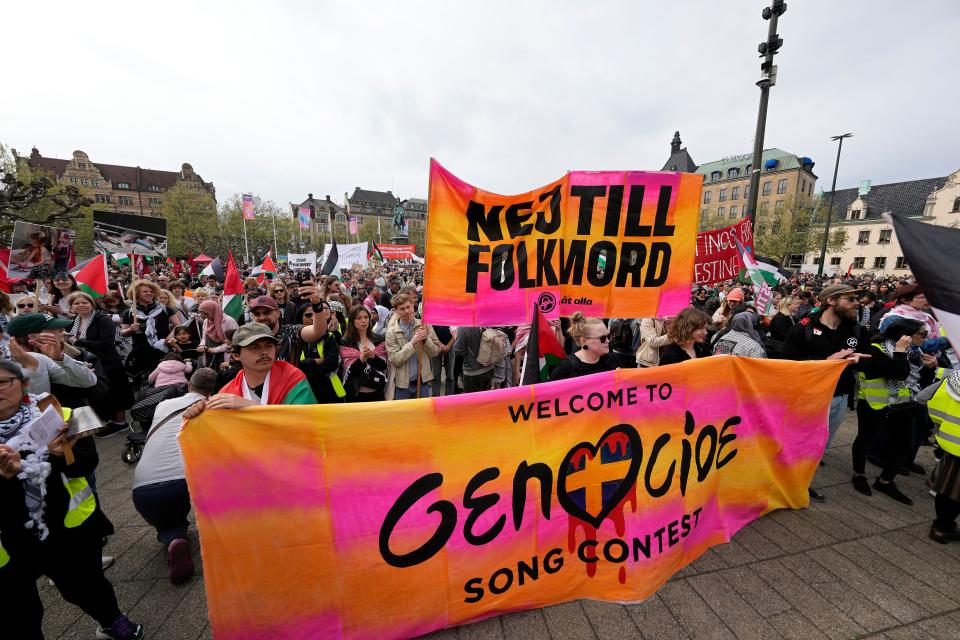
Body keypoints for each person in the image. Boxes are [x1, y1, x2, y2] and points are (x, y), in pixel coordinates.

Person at [0, 360, 144, 639]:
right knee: (17, 608)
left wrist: (59, 454)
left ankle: (112, 621)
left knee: (87, 585)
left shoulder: (55, 414)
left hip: (64, 523)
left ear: (25, 385)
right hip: (10, 537)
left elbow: (88, 462)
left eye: (3, 382)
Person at [782, 283, 872, 503]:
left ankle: (803, 483)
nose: (857, 303)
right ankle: (782, 482)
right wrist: (825, 363)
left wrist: (859, 361)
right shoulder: (802, 328)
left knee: (820, 446)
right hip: (806, 398)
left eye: (856, 299)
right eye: (850, 299)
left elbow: (868, 361)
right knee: (796, 443)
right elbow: (786, 364)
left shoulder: (857, 330)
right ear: (831, 301)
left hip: (839, 397)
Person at [132, 367, 218, 585]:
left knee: (167, 524)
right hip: (184, 480)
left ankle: (174, 539)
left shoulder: (163, 405)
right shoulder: (214, 408)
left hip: (143, 486)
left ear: (189, 385)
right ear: (212, 392)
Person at [852, 319, 936, 504]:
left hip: (902, 404)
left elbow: (916, 377)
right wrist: (900, 351)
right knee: (865, 439)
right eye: (922, 334)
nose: (926, 338)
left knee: (904, 445)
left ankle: (885, 481)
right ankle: (859, 474)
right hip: (874, 404)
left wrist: (932, 366)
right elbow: (899, 373)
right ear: (905, 335)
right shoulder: (875, 349)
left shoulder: (914, 352)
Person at [183, 322, 317, 414]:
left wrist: (251, 407)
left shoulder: (292, 378)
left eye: (269, 346)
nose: (264, 352)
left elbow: (304, 422)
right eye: (254, 347)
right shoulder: (228, 392)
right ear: (236, 355)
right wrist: (200, 414)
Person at [67, 292, 135, 436]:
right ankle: (105, 420)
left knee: (115, 392)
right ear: (71, 307)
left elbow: (106, 343)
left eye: (84, 302)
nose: (81, 306)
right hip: (88, 363)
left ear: (92, 304)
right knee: (98, 394)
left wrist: (78, 342)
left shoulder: (103, 320)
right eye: (77, 303)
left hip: (108, 362)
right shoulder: (74, 323)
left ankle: (120, 423)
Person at [4, 313, 98, 396]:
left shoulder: (44, 358)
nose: (63, 330)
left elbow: (89, 381)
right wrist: (30, 367)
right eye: (55, 328)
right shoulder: (4, 360)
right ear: (33, 336)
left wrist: (60, 358)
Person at [918, 370, 960, 544]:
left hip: (951, 442)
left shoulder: (955, 377)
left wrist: (941, 426)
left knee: (946, 487)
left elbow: (924, 397)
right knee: (955, 492)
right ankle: (943, 527)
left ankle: (943, 525)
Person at [246, 284, 329, 363]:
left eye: (267, 312)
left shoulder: (291, 332)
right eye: (257, 314)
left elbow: (318, 331)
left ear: (278, 313)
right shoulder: (247, 337)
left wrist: (317, 304)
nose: (262, 317)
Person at [385, 293, 440, 400]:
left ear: (412, 305)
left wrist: (425, 340)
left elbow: (435, 352)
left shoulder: (424, 325)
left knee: (423, 415)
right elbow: (395, 359)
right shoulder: (391, 332)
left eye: (408, 307)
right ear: (396, 311)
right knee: (404, 416)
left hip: (422, 382)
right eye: (402, 309)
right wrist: (412, 343)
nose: (406, 311)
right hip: (402, 386)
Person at [121, 279, 177, 383]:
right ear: (137, 293)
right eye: (145, 291)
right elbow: (123, 332)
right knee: (144, 382)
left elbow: (178, 326)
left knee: (163, 380)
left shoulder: (165, 309)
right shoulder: (129, 312)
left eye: (151, 291)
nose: (149, 293)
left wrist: (169, 337)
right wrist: (130, 329)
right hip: (140, 353)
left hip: (162, 350)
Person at [296, 302, 345, 403]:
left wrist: (305, 367)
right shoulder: (293, 340)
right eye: (308, 315)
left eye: (315, 315)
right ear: (300, 317)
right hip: (304, 391)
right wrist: (313, 361)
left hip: (329, 392)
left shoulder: (328, 337)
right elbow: (293, 365)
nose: (312, 318)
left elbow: (331, 364)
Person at [340, 305, 388, 402]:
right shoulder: (345, 342)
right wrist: (362, 358)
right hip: (356, 396)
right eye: (359, 318)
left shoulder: (378, 339)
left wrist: (372, 357)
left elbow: (383, 366)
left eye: (366, 317)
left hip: (377, 393)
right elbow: (350, 372)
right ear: (352, 321)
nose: (363, 321)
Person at [548, 313, 615, 381]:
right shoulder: (566, 369)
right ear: (583, 341)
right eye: (602, 338)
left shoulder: (613, 360)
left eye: (608, 336)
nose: (608, 341)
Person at [196, 299, 238, 370]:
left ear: (213, 311)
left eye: (206, 314)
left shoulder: (229, 321)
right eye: (203, 314)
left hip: (225, 355)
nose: (205, 316)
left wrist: (215, 349)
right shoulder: (206, 321)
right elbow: (204, 337)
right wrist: (202, 345)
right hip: (210, 355)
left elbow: (233, 341)